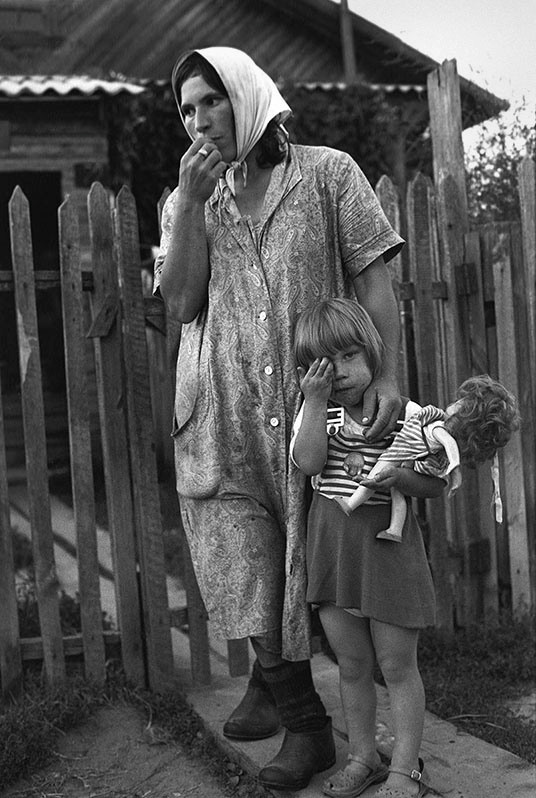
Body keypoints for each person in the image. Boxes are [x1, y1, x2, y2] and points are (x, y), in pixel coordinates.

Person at [153, 45, 404, 791]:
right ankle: (306, 728)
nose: (199, 121)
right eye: (187, 110)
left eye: (211, 102)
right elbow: (181, 302)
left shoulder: (329, 174)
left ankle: (272, 679)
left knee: (309, 564)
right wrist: (191, 206)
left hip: (309, 409)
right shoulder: (187, 200)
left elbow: (373, 276)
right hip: (220, 408)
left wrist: (386, 371)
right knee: (246, 559)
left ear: (247, 97)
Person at [291, 298, 446, 798]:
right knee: (352, 664)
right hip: (335, 549)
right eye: (325, 365)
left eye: (350, 357)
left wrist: (398, 474)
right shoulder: (317, 413)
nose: (341, 373)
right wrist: (313, 403)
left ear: (374, 353)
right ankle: (363, 757)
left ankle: (405, 770)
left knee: (398, 665)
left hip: (387, 549)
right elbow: (310, 463)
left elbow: (433, 486)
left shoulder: (401, 414)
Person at [334, 374, 520, 542]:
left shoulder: (440, 430)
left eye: (460, 403)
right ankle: (395, 530)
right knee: (397, 493)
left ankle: (350, 504)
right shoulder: (436, 421)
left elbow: (449, 449)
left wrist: (455, 469)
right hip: (408, 459)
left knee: (377, 475)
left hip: (400, 453)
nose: (455, 402)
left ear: (464, 416)